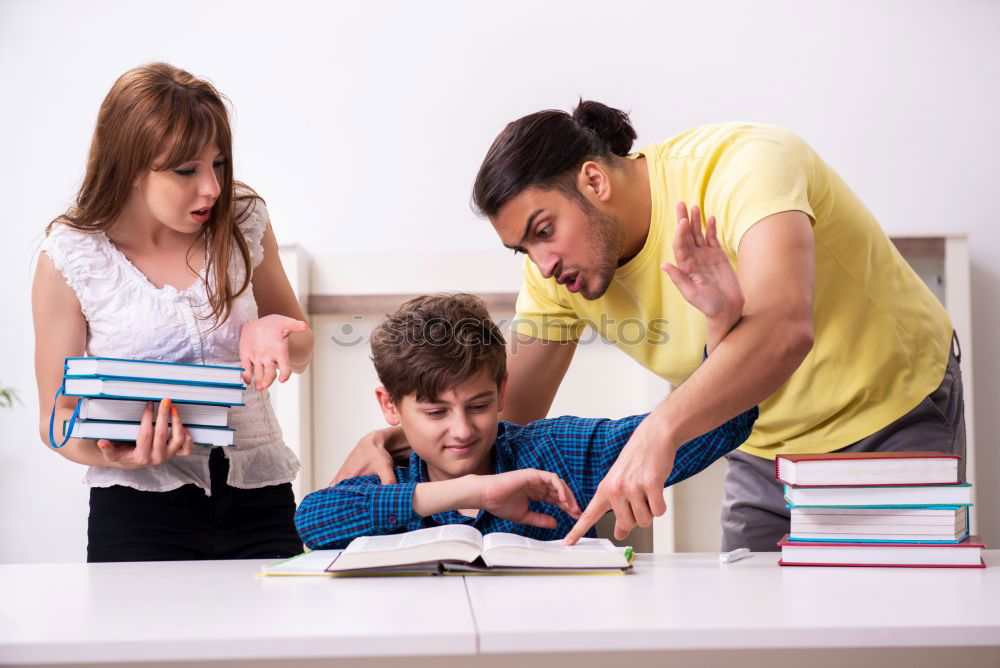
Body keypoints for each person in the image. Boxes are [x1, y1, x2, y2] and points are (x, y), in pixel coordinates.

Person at [337, 101, 961, 551]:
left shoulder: (743, 165)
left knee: (890, 623)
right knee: (765, 631)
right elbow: (504, 413)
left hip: (887, 411)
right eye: (523, 249)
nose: (542, 262)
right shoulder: (553, 275)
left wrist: (660, 429)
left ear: (594, 179)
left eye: (544, 230)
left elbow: (784, 331)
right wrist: (395, 437)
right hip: (758, 444)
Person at [32, 63, 315, 562]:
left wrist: (275, 333)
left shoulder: (244, 221)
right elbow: (57, 418)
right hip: (137, 511)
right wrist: (118, 455)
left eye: (220, 164)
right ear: (131, 167)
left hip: (259, 498)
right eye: (186, 170)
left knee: (273, 639)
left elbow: (303, 345)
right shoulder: (71, 256)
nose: (211, 188)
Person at [295, 292, 757, 549]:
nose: (461, 430)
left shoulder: (555, 452)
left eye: (478, 406)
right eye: (436, 412)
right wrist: (477, 491)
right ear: (390, 407)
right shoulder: (383, 473)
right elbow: (311, 521)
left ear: (502, 391)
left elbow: (724, 423)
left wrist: (720, 325)